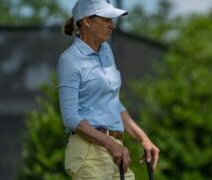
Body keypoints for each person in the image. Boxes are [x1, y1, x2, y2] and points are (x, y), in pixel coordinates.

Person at [57, 0, 159, 179]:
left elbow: (113, 104)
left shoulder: (105, 52)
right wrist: (110, 144)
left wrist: (143, 138)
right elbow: (70, 117)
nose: (112, 26)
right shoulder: (70, 60)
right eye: (107, 20)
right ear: (88, 21)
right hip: (89, 153)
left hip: (115, 150)